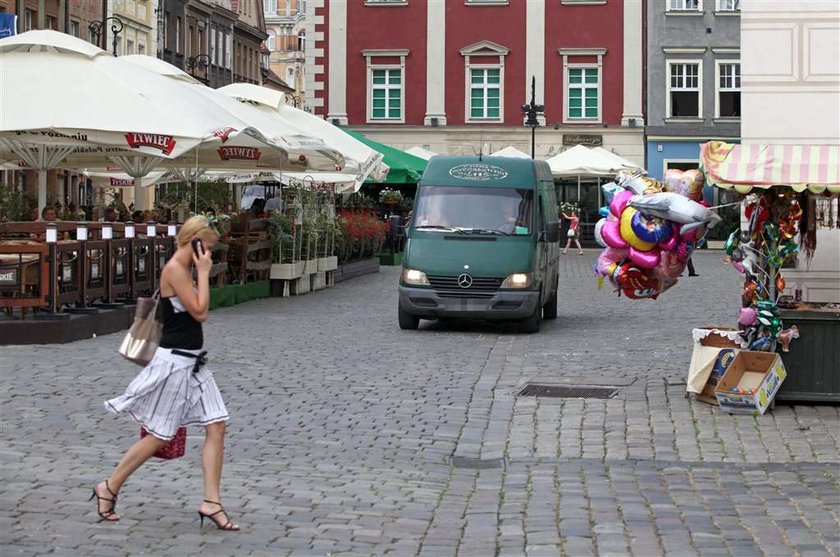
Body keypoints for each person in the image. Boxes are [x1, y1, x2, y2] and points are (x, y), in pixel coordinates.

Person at [92, 216, 238, 530]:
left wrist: (199, 273)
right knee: (159, 435)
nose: (210, 254)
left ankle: (211, 502)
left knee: (217, 424)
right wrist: (203, 273)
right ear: (195, 241)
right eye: (208, 247)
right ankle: (109, 486)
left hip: (194, 364)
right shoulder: (175, 269)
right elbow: (200, 313)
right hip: (174, 364)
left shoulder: (184, 270)